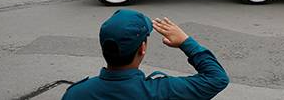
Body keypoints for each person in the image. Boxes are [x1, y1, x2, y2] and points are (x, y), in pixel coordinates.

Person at [62, 10, 229, 100]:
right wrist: (186, 42)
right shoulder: (162, 91)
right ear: (142, 48)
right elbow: (217, 78)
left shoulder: (75, 94)